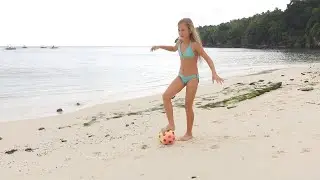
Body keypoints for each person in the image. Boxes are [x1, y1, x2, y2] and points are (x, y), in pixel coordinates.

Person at [150, 18, 224, 141]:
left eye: (183, 30)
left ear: (190, 30)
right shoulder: (179, 42)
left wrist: (214, 73)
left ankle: (189, 133)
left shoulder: (195, 45)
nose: (180, 32)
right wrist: (159, 46)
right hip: (181, 76)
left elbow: (208, 59)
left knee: (188, 106)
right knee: (166, 96)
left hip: (192, 78)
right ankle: (171, 124)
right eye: (179, 30)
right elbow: (173, 49)